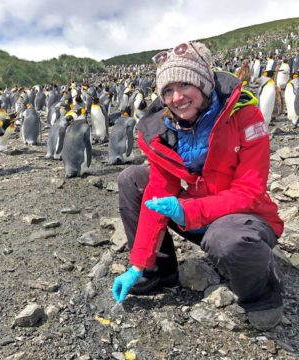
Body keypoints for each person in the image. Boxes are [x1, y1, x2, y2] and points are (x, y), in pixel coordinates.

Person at [112, 42, 284, 331]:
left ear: (203, 83)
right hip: (199, 216)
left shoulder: (244, 115)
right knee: (131, 178)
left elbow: (250, 191)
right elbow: (158, 191)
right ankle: (159, 272)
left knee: (226, 239)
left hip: (246, 219)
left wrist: (188, 210)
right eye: (168, 90)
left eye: (185, 84)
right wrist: (138, 263)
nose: (176, 97)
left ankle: (262, 294)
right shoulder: (166, 130)